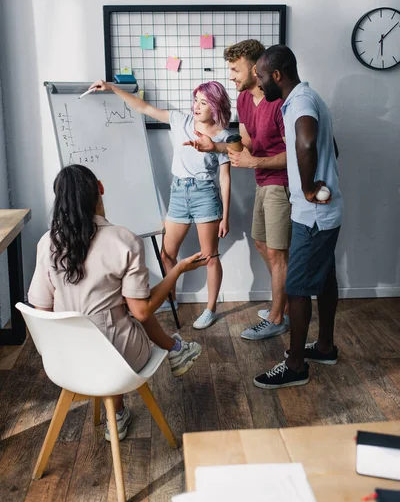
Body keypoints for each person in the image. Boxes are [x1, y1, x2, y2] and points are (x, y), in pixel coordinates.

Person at [28, 165, 210, 441]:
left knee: (105, 317)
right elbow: (142, 311)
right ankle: (175, 348)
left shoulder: (47, 243)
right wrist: (176, 271)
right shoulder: (125, 240)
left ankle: (120, 411)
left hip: (65, 361)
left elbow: (41, 310)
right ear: (100, 188)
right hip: (118, 359)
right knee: (129, 312)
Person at [90, 79, 231, 330]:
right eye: (195, 100)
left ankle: (210, 309)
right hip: (178, 192)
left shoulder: (223, 137)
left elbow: (225, 177)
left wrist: (226, 216)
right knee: (166, 254)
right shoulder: (181, 120)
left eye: (203, 102)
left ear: (216, 105)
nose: (196, 106)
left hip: (205, 195)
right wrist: (112, 88)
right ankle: (171, 299)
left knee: (210, 257)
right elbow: (143, 108)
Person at [184, 40, 291, 340]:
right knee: (261, 243)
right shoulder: (244, 99)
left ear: (256, 68)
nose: (230, 75)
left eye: (235, 69)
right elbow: (247, 144)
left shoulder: (281, 102)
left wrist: (255, 160)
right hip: (262, 179)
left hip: (281, 183)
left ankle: (277, 316)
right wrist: (215, 146)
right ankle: (285, 303)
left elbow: (296, 153)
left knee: (277, 252)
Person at [253, 45, 343, 389]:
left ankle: (295, 366)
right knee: (326, 280)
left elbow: (307, 143)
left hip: (314, 215)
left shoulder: (300, 102)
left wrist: (307, 188)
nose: (260, 84)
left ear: (278, 75)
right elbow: (331, 147)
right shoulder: (307, 98)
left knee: (297, 289)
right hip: (326, 212)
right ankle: (324, 346)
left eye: (262, 77)